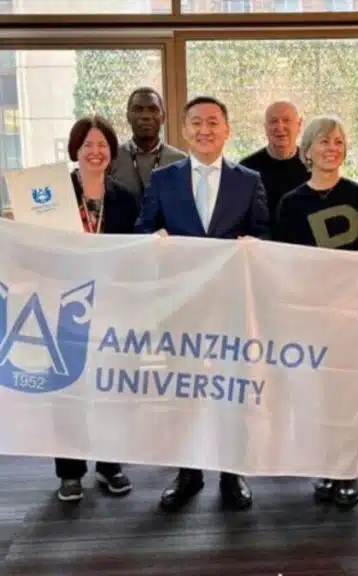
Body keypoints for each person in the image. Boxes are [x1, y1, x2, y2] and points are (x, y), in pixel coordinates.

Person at [136, 95, 270, 511]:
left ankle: (232, 473)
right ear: (184, 130)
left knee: (232, 389)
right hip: (182, 305)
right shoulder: (164, 179)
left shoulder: (248, 180)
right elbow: (143, 229)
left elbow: (265, 235)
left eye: (213, 122)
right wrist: (153, 240)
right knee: (183, 392)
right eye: (196, 122)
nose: (204, 130)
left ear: (227, 130)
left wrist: (254, 244)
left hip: (232, 304)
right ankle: (188, 473)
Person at [274, 115, 358, 508]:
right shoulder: (290, 203)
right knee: (316, 391)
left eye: (338, 142)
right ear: (307, 150)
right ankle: (324, 464)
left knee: (351, 391)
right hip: (310, 316)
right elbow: (282, 260)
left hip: (353, 315)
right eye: (323, 141)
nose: (331, 148)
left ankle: (348, 469)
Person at [53, 115, 139, 503]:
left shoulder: (125, 198)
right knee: (68, 389)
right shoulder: (52, 194)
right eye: (87, 144)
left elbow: (136, 251)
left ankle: (110, 464)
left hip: (113, 307)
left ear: (112, 151)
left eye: (102, 144)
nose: (95, 151)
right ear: (75, 149)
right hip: (65, 304)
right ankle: (70, 472)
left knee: (111, 387)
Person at [108, 87, 186, 199]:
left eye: (153, 109)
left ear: (163, 117)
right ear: (128, 116)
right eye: (138, 109)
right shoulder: (112, 158)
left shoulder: (180, 161)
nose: (146, 116)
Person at [240, 101, 310, 225]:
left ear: (299, 125)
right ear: (265, 128)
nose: (280, 127)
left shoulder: (314, 166)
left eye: (286, 120)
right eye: (273, 121)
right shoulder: (246, 168)